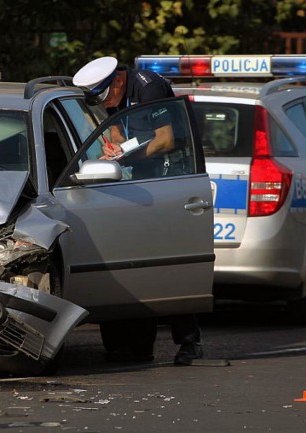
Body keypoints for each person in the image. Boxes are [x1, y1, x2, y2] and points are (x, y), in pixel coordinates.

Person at [72, 56, 204, 366]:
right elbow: (115, 127)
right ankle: (136, 342)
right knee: (139, 258)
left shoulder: (150, 89)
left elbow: (166, 139)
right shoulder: (114, 94)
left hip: (170, 177)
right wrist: (113, 147)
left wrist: (126, 157)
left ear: (118, 81)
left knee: (170, 263)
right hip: (141, 178)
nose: (105, 104)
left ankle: (189, 342)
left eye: (106, 96)